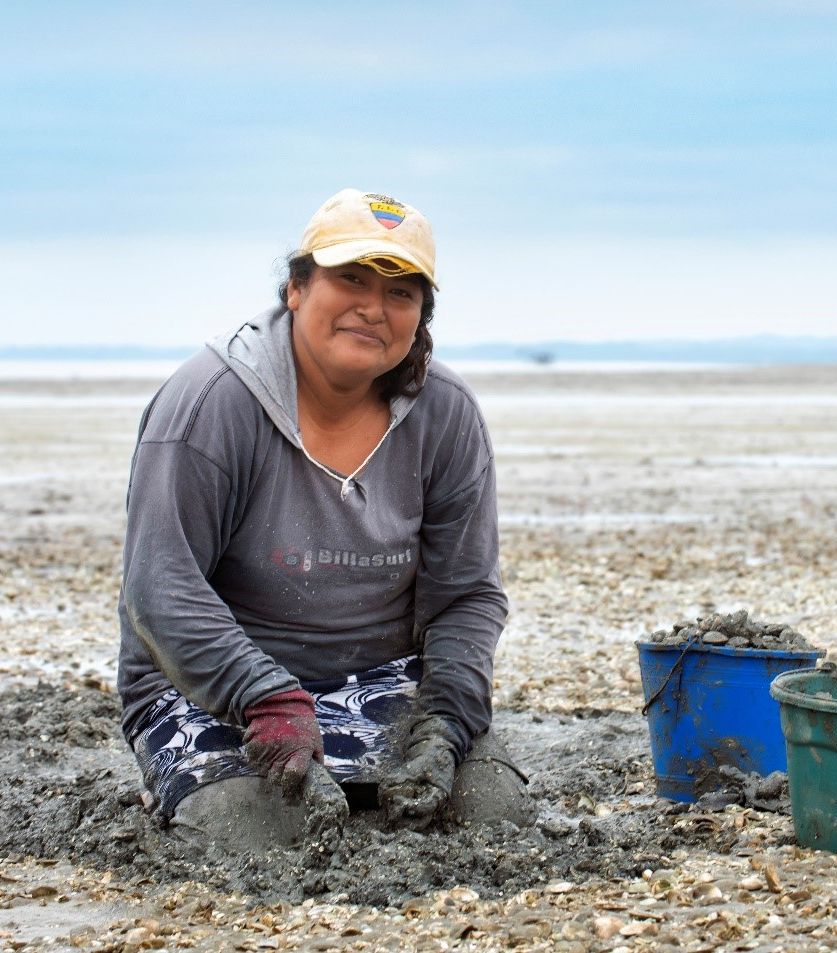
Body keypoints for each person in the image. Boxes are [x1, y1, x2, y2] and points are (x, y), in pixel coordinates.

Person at [117, 188, 531, 850]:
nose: (373, 306)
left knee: (492, 817)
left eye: (401, 292)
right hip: (215, 688)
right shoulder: (212, 404)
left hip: (378, 679)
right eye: (351, 279)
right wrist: (266, 698)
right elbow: (160, 589)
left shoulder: (445, 413)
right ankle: (174, 785)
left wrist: (446, 720)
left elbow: (467, 595)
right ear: (296, 288)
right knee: (252, 837)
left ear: (421, 315)